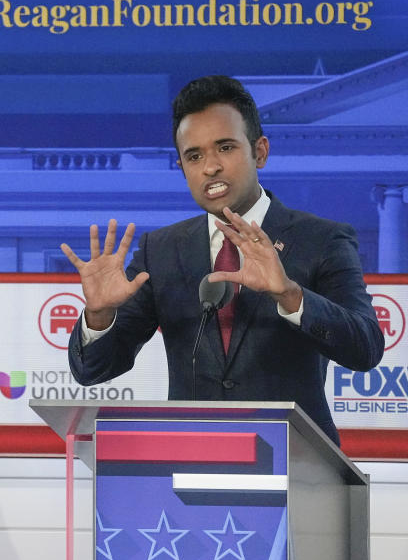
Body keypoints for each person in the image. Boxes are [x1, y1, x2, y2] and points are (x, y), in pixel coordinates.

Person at [62, 75, 383, 445]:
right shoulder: (161, 250)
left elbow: (366, 348)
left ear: (259, 151)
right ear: (182, 168)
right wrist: (99, 316)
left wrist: (291, 295)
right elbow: (93, 370)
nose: (210, 167)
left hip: (298, 464)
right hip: (190, 468)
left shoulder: (322, 239)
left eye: (225, 148)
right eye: (194, 156)